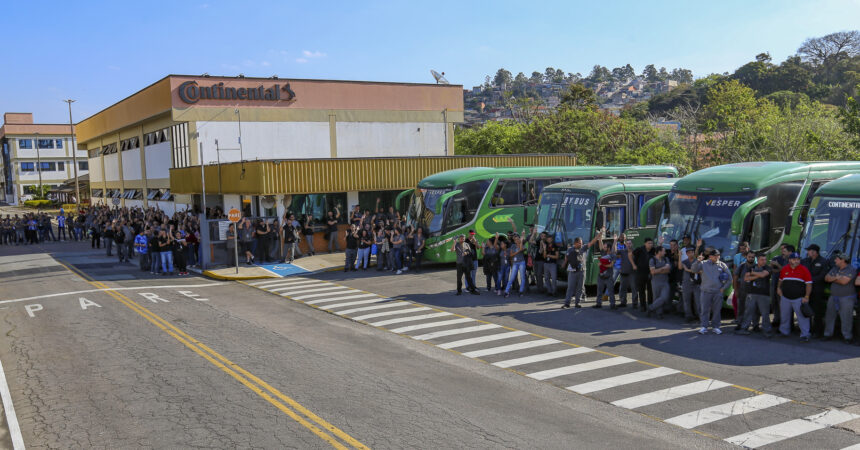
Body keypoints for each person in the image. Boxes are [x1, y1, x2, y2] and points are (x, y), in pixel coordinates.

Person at [691, 246, 732, 335]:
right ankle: (704, 326)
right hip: (706, 291)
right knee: (705, 310)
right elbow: (693, 270)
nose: (717, 257)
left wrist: (723, 288)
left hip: (717, 292)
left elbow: (730, 279)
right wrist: (697, 261)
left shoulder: (722, 265)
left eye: (718, 255)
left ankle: (716, 327)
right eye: (715, 256)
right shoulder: (703, 263)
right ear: (710, 256)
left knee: (717, 310)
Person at [562, 229, 604, 308]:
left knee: (580, 288)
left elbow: (591, 243)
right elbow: (566, 258)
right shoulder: (570, 249)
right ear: (575, 243)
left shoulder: (583, 248)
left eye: (581, 243)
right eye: (580, 243)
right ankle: (567, 303)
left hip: (582, 271)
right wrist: (565, 263)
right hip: (572, 272)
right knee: (570, 288)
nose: (581, 244)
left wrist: (598, 236)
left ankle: (577, 303)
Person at [736, 253, 774, 337]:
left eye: (765, 259)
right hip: (751, 293)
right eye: (762, 259)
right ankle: (744, 328)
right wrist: (758, 276)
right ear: (758, 260)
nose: (764, 261)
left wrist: (753, 274)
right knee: (748, 312)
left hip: (764, 294)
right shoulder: (751, 267)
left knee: (765, 314)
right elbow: (746, 278)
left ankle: (767, 331)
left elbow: (764, 274)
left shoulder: (767, 267)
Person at [777, 252, 812, 342]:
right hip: (785, 297)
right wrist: (778, 288)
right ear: (789, 260)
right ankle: (784, 332)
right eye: (794, 259)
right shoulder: (784, 269)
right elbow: (780, 280)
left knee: (802, 317)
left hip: (799, 298)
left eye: (798, 259)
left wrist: (807, 296)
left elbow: (809, 284)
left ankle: (805, 335)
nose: (796, 261)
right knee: (784, 316)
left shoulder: (804, 269)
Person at [824, 253, 857, 343]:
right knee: (829, 316)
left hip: (846, 298)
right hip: (833, 297)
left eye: (837, 259)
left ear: (842, 260)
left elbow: (843, 281)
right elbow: (826, 278)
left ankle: (847, 337)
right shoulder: (835, 268)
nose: (835, 261)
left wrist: (833, 278)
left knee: (846, 318)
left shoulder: (851, 269)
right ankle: (828, 334)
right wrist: (837, 277)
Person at [801, 243, 830, 338]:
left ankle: (817, 331)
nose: (808, 252)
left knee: (817, 312)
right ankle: (807, 330)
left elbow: (823, 276)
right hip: (805, 290)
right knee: (805, 310)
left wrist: (809, 280)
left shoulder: (824, 261)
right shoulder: (805, 261)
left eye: (809, 250)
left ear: (815, 252)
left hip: (817, 290)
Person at [733, 251, 756, 329]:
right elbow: (735, 278)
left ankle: (752, 325)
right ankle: (739, 323)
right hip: (742, 290)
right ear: (746, 257)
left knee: (752, 309)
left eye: (753, 257)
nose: (751, 258)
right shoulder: (741, 266)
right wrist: (736, 290)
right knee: (741, 308)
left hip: (753, 291)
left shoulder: (756, 267)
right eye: (749, 257)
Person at [647, 246, 673, 318]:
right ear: (659, 252)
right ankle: (659, 313)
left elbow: (668, 270)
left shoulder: (666, 259)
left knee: (664, 297)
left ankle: (650, 308)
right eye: (663, 251)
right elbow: (652, 272)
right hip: (655, 282)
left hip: (665, 282)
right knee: (657, 297)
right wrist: (663, 268)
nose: (665, 252)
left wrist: (658, 270)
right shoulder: (652, 260)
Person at [678, 247, 701, 323]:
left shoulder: (697, 261)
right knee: (686, 300)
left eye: (692, 252)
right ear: (687, 254)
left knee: (698, 301)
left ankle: (699, 315)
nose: (690, 254)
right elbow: (680, 267)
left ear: (694, 253)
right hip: (686, 284)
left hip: (696, 283)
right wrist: (680, 256)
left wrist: (687, 270)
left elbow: (699, 271)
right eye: (689, 252)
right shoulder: (684, 261)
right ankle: (688, 316)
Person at [632, 238, 656, 312]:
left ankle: (650, 305)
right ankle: (643, 306)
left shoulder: (653, 250)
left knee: (650, 290)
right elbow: (630, 254)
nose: (650, 245)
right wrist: (633, 265)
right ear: (645, 243)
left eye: (651, 243)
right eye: (649, 243)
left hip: (650, 273)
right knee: (641, 290)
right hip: (640, 273)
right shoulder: (639, 249)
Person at [595, 233, 618, 309]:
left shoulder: (612, 255)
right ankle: (598, 304)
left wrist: (602, 264)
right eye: (604, 247)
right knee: (599, 290)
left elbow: (611, 265)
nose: (604, 248)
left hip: (608, 276)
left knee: (611, 291)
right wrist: (599, 238)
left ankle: (612, 305)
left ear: (609, 248)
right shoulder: (603, 253)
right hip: (601, 276)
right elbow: (600, 245)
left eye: (605, 247)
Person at [616, 237, 636, 308]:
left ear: (632, 244)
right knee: (622, 289)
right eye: (627, 243)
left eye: (630, 243)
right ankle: (623, 302)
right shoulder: (622, 251)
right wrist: (615, 241)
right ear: (625, 244)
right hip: (623, 273)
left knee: (634, 288)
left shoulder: (635, 252)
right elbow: (614, 251)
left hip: (632, 273)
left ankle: (635, 303)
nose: (628, 245)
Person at [543, 233, 560, 297]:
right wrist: (544, 249)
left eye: (550, 239)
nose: (549, 240)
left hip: (553, 264)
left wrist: (549, 255)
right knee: (546, 278)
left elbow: (557, 256)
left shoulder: (555, 246)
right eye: (548, 239)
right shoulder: (546, 245)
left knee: (553, 278)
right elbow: (544, 256)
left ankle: (554, 291)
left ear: (552, 239)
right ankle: (549, 291)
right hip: (546, 264)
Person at [530, 229, 546, 293]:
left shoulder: (545, 243)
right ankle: (538, 288)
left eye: (544, 236)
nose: (542, 237)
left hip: (541, 261)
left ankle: (541, 289)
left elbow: (540, 251)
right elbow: (530, 241)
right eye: (541, 235)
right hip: (535, 260)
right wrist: (533, 233)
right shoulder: (539, 241)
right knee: (536, 274)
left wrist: (541, 245)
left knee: (539, 274)